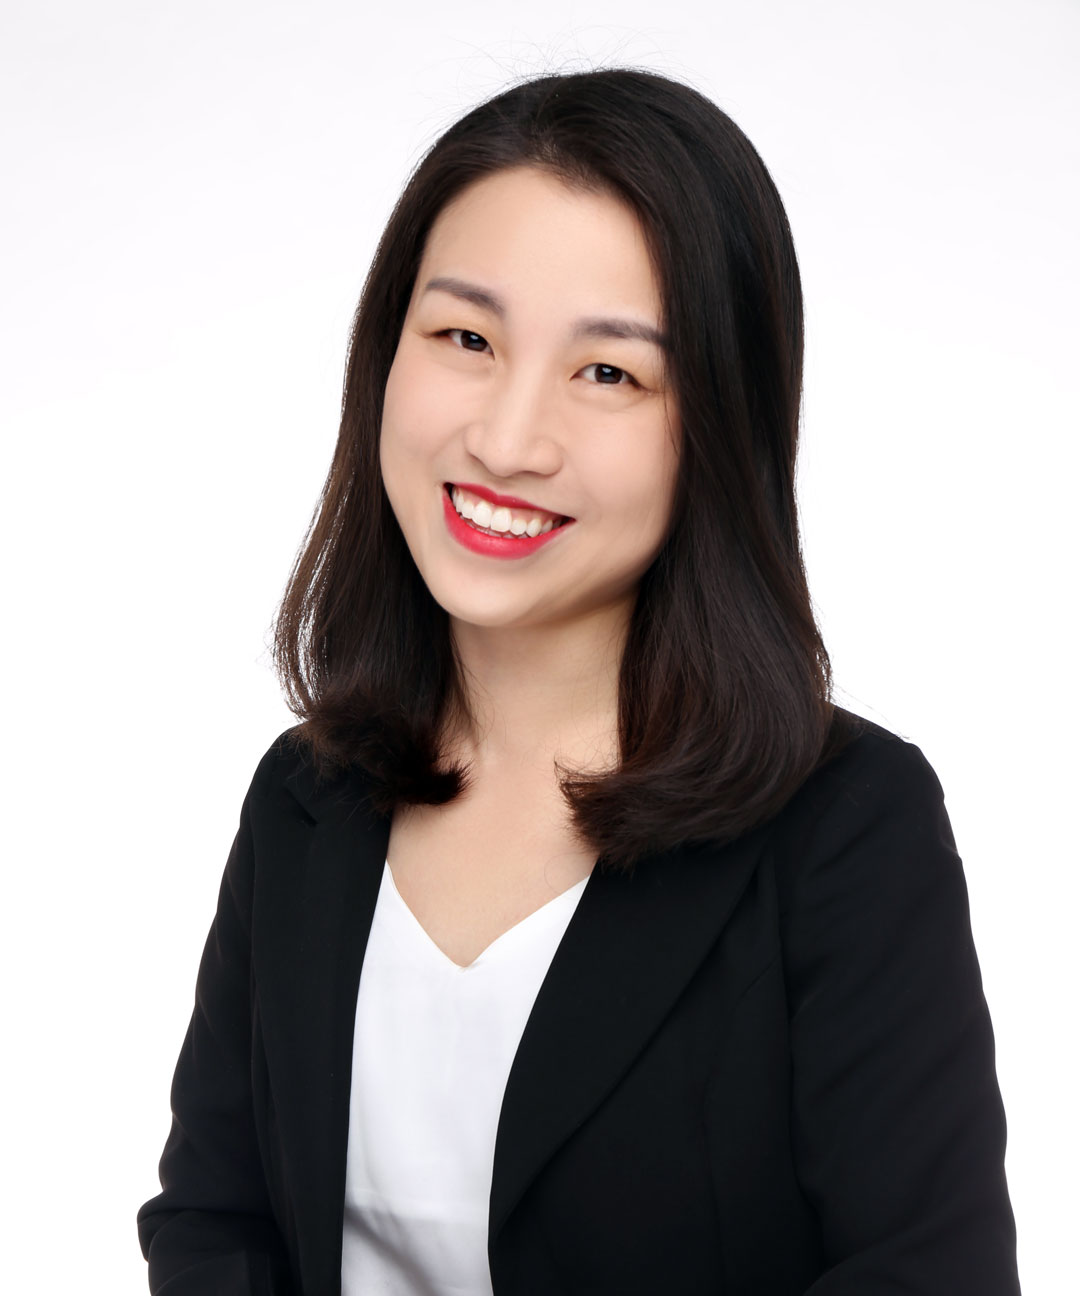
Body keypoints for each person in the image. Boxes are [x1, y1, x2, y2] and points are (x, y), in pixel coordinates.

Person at [137, 68, 1021, 1295]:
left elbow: (927, 1273)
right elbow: (214, 1220)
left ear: (720, 426)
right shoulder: (307, 796)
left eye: (609, 373)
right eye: (466, 339)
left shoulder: (846, 829)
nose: (508, 440)